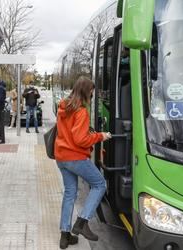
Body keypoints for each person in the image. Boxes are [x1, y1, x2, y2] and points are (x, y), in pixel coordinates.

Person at [54, 76, 111, 249]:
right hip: (75, 157)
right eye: (92, 91)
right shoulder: (81, 111)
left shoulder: (63, 106)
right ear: (87, 91)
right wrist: (101, 136)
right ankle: (82, 222)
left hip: (61, 157)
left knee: (70, 192)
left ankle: (65, 236)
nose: (93, 94)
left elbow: (68, 132)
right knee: (100, 184)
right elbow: (80, 139)